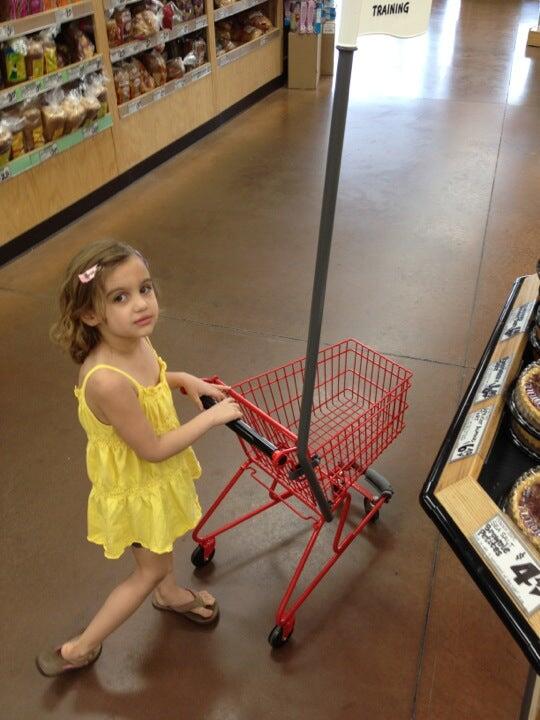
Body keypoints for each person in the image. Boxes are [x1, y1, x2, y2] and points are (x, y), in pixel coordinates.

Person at [36, 240, 243, 677]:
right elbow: (152, 449)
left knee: (160, 545)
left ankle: (169, 594)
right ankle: (79, 647)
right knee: (149, 569)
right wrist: (211, 419)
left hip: (151, 478)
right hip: (135, 485)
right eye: (120, 297)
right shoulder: (106, 381)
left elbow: (153, 382)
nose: (141, 304)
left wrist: (184, 380)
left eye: (145, 289)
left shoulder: (137, 340)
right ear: (90, 315)